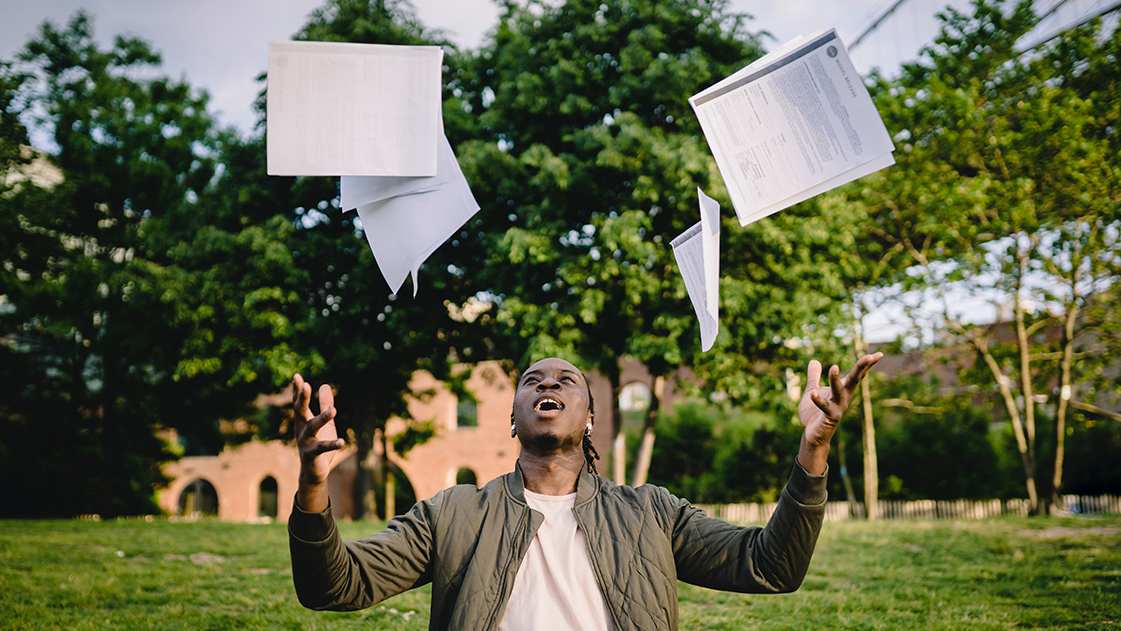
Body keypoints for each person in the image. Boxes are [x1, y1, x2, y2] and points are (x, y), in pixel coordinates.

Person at [288, 353, 882, 631]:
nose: (548, 383)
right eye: (532, 381)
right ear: (515, 420)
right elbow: (332, 587)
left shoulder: (652, 513)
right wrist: (314, 484)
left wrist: (814, 449)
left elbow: (771, 566)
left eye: (566, 379)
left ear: (591, 419)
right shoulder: (454, 513)